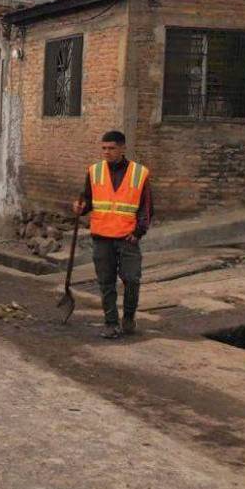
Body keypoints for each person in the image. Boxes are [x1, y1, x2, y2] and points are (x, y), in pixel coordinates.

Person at [72, 130, 152, 339]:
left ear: (123, 148)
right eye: (104, 148)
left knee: (132, 279)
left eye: (111, 148)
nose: (106, 152)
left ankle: (128, 318)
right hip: (102, 237)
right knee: (106, 282)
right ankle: (111, 323)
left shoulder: (139, 173)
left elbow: (146, 207)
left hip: (128, 237)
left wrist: (139, 232)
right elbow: (88, 200)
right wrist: (81, 207)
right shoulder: (94, 171)